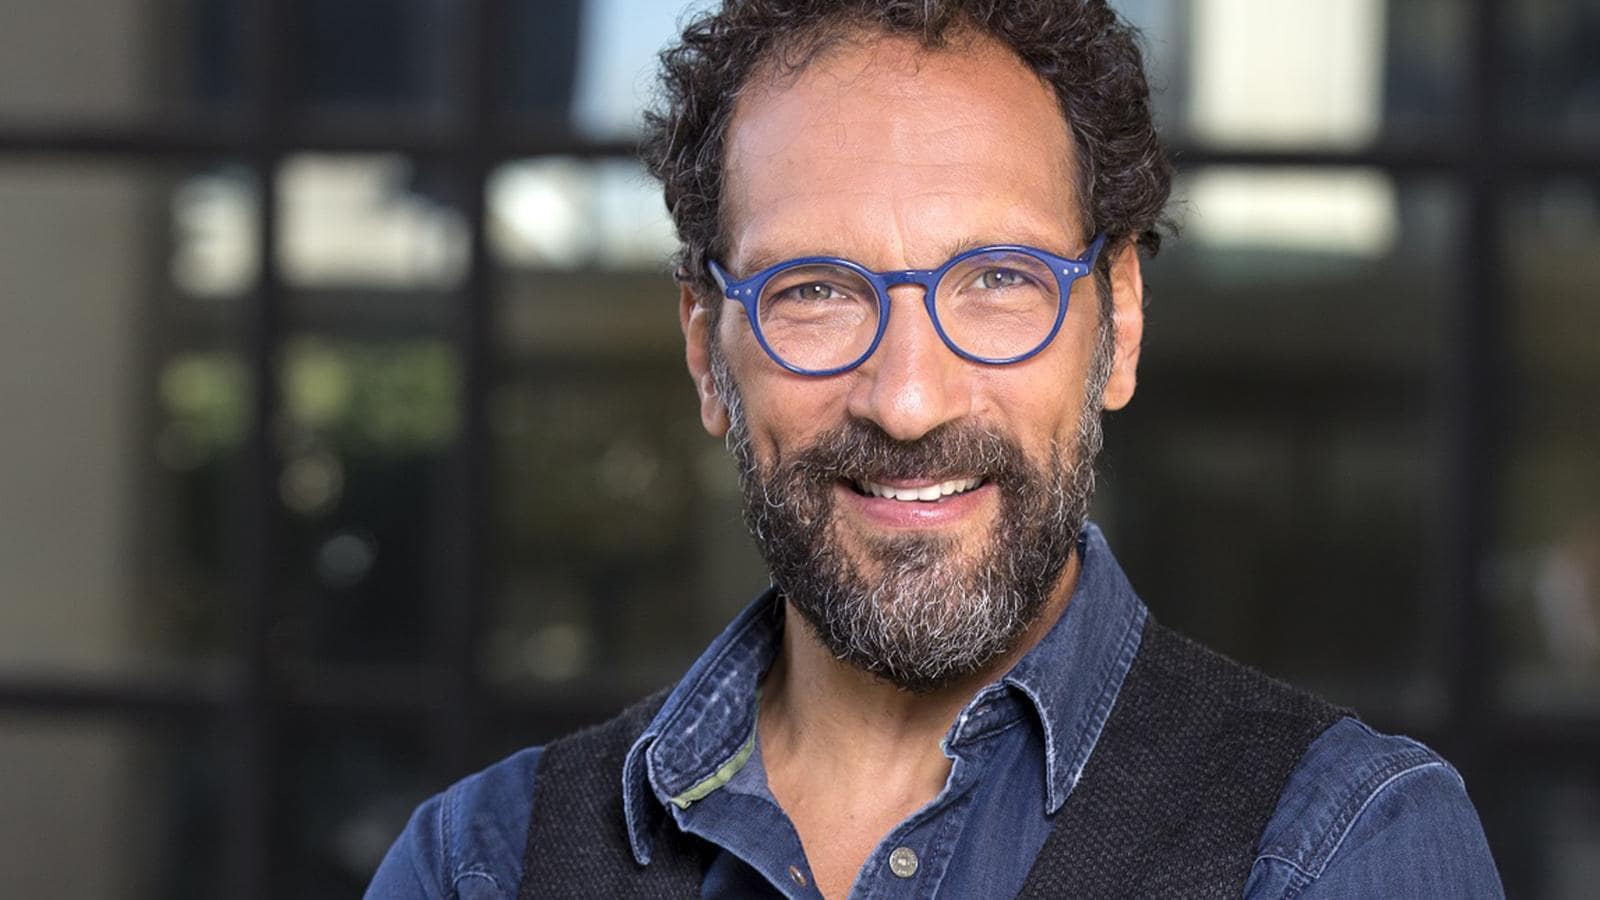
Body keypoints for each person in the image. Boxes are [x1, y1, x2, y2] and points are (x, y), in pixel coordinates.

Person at [367, 1, 1504, 897]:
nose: (908, 403)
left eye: (999, 279)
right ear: (707, 350)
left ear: (1118, 324)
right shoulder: (478, 868)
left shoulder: (1339, 848)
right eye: (815, 291)